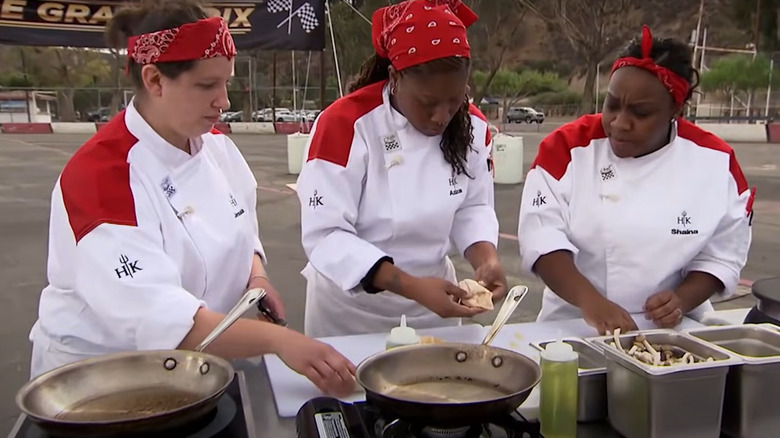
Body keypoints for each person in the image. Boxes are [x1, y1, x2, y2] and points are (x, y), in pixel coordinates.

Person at [27, 0, 355, 397]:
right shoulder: (101, 179)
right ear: (154, 80)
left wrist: (257, 276)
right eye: (206, 86)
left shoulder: (216, 148)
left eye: (225, 83)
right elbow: (160, 319)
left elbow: (242, 227)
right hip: (103, 385)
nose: (224, 101)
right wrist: (280, 342)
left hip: (194, 369)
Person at [517, 25, 755, 336]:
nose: (619, 123)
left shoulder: (715, 162)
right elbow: (542, 238)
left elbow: (722, 253)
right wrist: (591, 303)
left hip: (674, 330)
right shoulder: (566, 149)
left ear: (675, 109)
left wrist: (681, 299)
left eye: (640, 113)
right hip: (573, 323)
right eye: (612, 104)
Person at [296, 0, 508, 338]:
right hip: (351, 314)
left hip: (435, 311)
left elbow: (473, 206)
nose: (442, 116)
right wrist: (409, 285)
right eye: (427, 103)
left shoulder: (473, 128)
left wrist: (486, 259)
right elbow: (326, 234)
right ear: (395, 77)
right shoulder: (345, 124)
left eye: (454, 100)